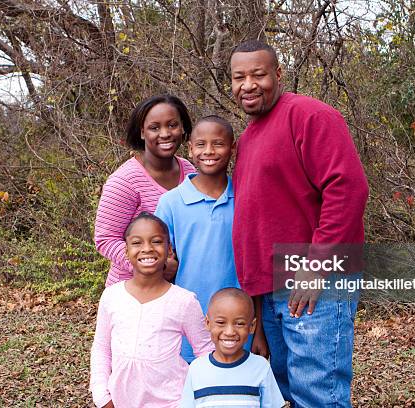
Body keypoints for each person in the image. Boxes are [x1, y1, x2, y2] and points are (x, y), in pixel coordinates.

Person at [230, 40, 369, 407]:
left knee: (318, 394)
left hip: (313, 280)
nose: (248, 84)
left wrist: (316, 266)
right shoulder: (247, 138)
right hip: (271, 289)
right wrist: (257, 305)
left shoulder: (310, 116)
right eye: (239, 77)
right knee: (288, 391)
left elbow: (348, 189)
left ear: (278, 74)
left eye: (258, 74)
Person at [89, 212, 214, 408]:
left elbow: (206, 351)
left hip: (173, 401)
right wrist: (102, 395)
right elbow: (102, 348)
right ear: (126, 251)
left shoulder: (184, 301)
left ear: (169, 250)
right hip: (121, 401)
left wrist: (196, 399)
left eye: (156, 241)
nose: (147, 249)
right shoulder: (112, 297)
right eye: (137, 243)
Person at [155, 115, 252, 363]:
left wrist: (258, 328)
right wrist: (165, 267)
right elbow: (160, 262)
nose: (208, 151)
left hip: (240, 327)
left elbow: (257, 266)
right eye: (200, 144)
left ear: (233, 148)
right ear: (190, 148)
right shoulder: (171, 203)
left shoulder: (245, 198)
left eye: (218, 144)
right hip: (188, 325)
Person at [94, 95, 196, 286]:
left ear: (183, 128)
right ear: (142, 132)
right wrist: (155, 267)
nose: (165, 133)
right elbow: (105, 239)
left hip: (176, 290)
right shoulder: (124, 181)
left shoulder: (189, 171)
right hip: (132, 294)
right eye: (154, 127)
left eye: (172, 125)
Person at [180, 288, 285, 408]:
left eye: (239, 323)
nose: (229, 332)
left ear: (252, 326)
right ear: (208, 323)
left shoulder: (261, 367)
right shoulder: (196, 368)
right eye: (220, 322)